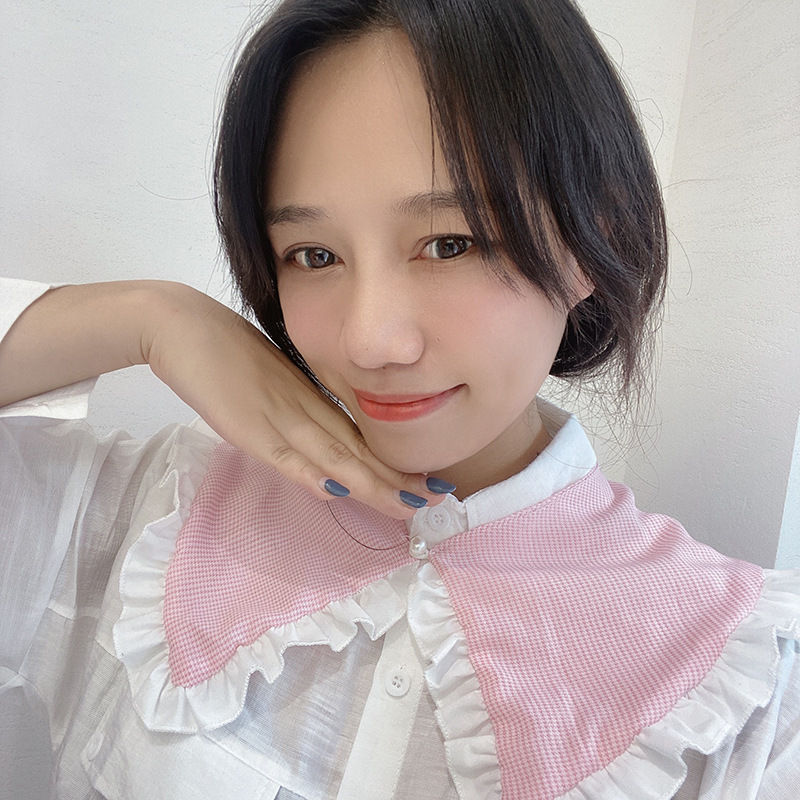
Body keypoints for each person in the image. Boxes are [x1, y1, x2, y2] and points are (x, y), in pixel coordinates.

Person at [1, 0, 798, 798]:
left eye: (450, 243)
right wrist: (152, 318)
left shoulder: (744, 690)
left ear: (599, 236)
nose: (370, 341)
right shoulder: (151, 518)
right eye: (313, 254)